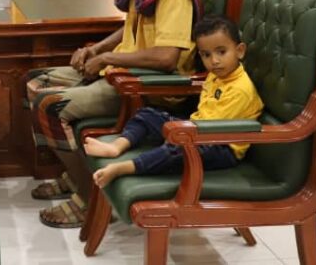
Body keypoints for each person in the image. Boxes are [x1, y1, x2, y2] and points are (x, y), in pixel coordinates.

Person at [25, 0, 201, 229]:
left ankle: (88, 197)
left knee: (49, 105)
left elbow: (166, 58)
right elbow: (129, 28)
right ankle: (74, 175)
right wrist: (98, 50)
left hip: (145, 87)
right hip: (120, 72)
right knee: (33, 81)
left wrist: (108, 59)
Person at [86, 15, 264, 186]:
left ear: (239, 51)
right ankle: (116, 147)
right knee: (147, 114)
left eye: (221, 52)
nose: (214, 61)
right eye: (206, 55)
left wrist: (180, 134)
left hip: (221, 147)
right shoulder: (216, 75)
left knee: (177, 149)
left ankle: (123, 168)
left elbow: (213, 131)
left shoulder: (240, 90)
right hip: (197, 129)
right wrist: (181, 130)